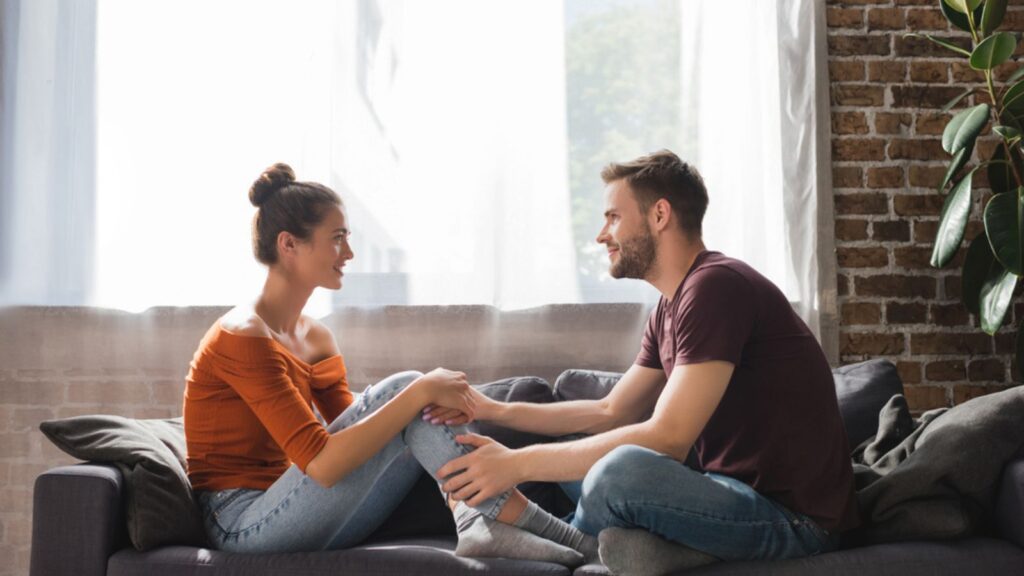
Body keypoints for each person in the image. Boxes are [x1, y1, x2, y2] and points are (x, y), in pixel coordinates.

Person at [428, 150, 859, 576]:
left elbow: (669, 438)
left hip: (796, 521)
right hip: (726, 494)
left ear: (659, 215)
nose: (601, 235)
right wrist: (489, 408)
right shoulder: (670, 307)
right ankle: (650, 551)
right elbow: (609, 411)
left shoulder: (716, 287)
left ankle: (563, 544)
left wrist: (516, 466)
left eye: (613, 217)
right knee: (574, 453)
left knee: (617, 472)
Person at [183, 163, 596, 564]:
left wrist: (419, 400)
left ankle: (475, 519)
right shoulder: (242, 335)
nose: (349, 252)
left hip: (294, 507)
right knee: (408, 389)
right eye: (337, 238)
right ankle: (571, 540)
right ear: (289, 244)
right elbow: (324, 466)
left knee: (410, 404)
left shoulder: (315, 337)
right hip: (240, 523)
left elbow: (359, 441)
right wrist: (419, 390)